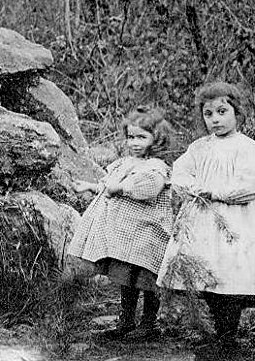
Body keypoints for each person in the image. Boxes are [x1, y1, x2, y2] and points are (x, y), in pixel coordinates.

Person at [156, 82, 255, 353]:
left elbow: (251, 185)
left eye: (222, 111)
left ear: (237, 112)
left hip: (236, 221)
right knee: (208, 273)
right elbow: (181, 172)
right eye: (209, 114)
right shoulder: (199, 148)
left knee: (230, 274)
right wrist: (190, 188)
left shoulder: (246, 147)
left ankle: (228, 335)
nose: (215, 119)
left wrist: (216, 191)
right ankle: (218, 330)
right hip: (202, 220)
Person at [66, 106, 174, 341]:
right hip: (127, 236)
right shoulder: (126, 162)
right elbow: (109, 186)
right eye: (131, 137)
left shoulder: (156, 166)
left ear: (156, 138)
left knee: (147, 279)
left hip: (149, 233)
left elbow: (148, 189)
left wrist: (122, 187)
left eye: (142, 137)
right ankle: (125, 321)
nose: (134, 142)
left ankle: (149, 324)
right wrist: (89, 186)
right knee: (127, 278)